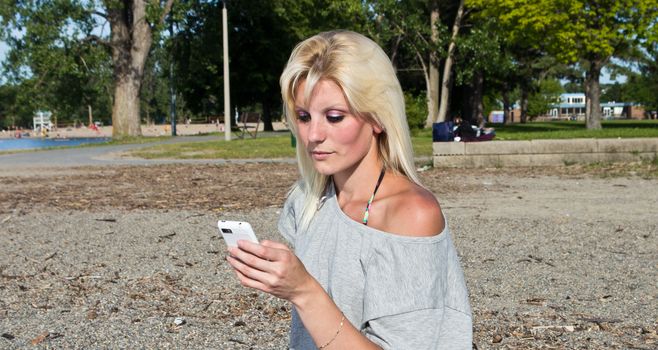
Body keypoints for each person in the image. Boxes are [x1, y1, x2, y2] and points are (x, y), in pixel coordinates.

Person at [226, 30, 472, 349]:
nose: (313, 134)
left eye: (334, 117)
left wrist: (303, 290)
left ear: (377, 118)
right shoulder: (309, 199)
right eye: (303, 116)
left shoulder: (411, 216)